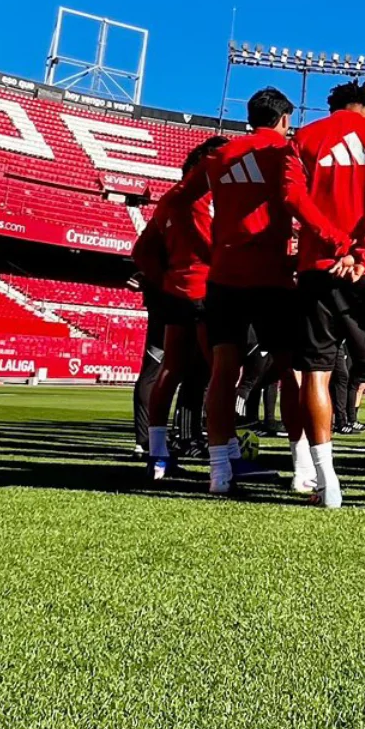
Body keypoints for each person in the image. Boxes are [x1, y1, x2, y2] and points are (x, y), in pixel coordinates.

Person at [178, 87, 353, 496]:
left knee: (223, 373)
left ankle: (219, 471)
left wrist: (210, 245)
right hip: (272, 277)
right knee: (292, 374)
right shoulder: (284, 152)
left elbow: (182, 202)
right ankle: (301, 467)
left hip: (223, 276)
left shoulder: (218, 156)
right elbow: (299, 202)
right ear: (285, 119)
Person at [288, 80, 365, 508]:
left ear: (333, 106)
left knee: (316, 373)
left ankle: (327, 483)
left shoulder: (305, 137)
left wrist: (335, 243)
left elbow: (293, 196)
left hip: (318, 268)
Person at [131, 137, 225, 477]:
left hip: (175, 292)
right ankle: (223, 459)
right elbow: (210, 246)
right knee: (219, 374)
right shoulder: (200, 197)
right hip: (204, 291)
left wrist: (165, 279)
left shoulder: (169, 198)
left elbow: (141, 251)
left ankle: (157, 454)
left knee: (170, 370)